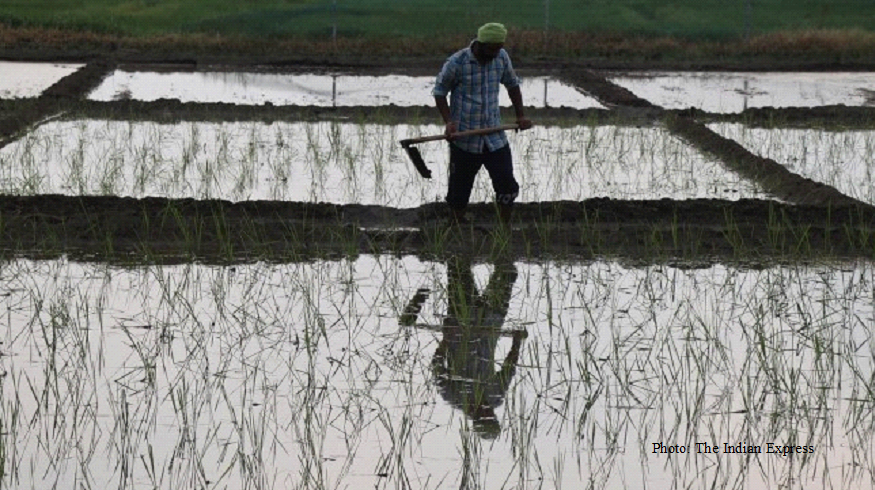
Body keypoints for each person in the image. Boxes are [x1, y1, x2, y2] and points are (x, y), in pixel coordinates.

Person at [433, 22, 533, 227]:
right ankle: (456, 226)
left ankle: (504, 227)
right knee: (459, 191)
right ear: (480, 44)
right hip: (465, 139)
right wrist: (449, 122)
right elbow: (440, 92)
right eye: (492, 49)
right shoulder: (457, 62)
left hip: (494, 138)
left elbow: (512, 85)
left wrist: (520, 116)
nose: (495, 53)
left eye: (499, 48)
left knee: (507, 186)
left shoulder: (501, 57)